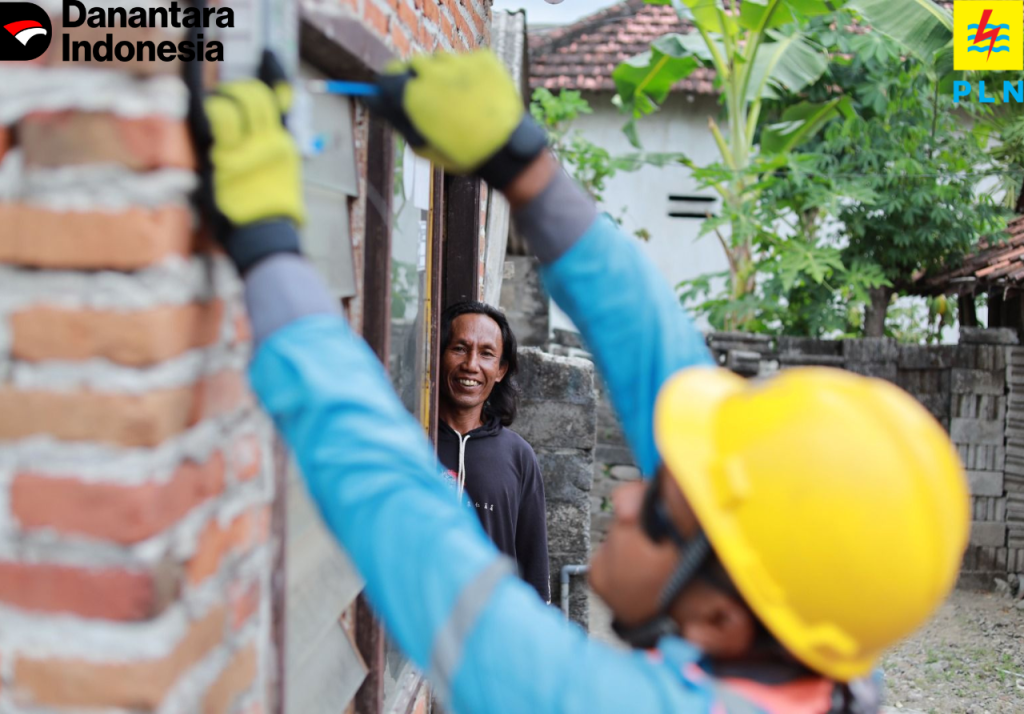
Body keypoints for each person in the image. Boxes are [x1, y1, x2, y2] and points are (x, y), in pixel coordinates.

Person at [197, 50, 970, 713]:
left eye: (658, 510)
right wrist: (523, 166)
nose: (624, 500)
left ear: (721, 622)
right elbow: (659, 358)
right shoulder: (814, 641)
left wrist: (267, 250)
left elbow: (404, 518)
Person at [437, 301, 550, 602]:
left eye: (486, 353)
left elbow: (534, 565)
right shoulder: (412, 441)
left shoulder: (518, 456)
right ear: (438, 354)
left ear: (500, 370)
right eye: (459, 348)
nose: (471, 364)